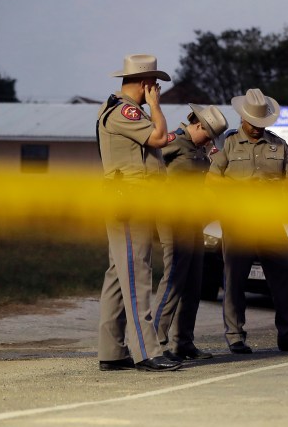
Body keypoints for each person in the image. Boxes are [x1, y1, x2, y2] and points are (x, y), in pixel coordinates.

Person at [207, 88, 288, 354]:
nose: (257, 128)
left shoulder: (278, 145)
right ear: (242, 118)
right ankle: (235, 336)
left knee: (284, 280)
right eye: (253, 123)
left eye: (261, 124)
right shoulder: (228, 144)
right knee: (234, 282)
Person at [96, 54, 181, 372]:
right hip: (130, 203)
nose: (156, 90)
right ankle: (146, 351)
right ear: (146, 85)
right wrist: (156, 107)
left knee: (119, 276)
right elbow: (159, 137)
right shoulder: (126, 110)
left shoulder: (117, 110)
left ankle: (113, 351)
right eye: (155, 85)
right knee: (138, 276)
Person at [153, 104, 229, 362]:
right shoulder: (174, 141)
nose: (208, 141)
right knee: (173, 279)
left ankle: (183, 342)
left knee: (194, 284)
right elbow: (149, 165)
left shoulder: (200, 150)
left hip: (194, 221)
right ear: (197, 126)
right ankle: (155, 343)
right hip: (174, 220)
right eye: (207, 135)